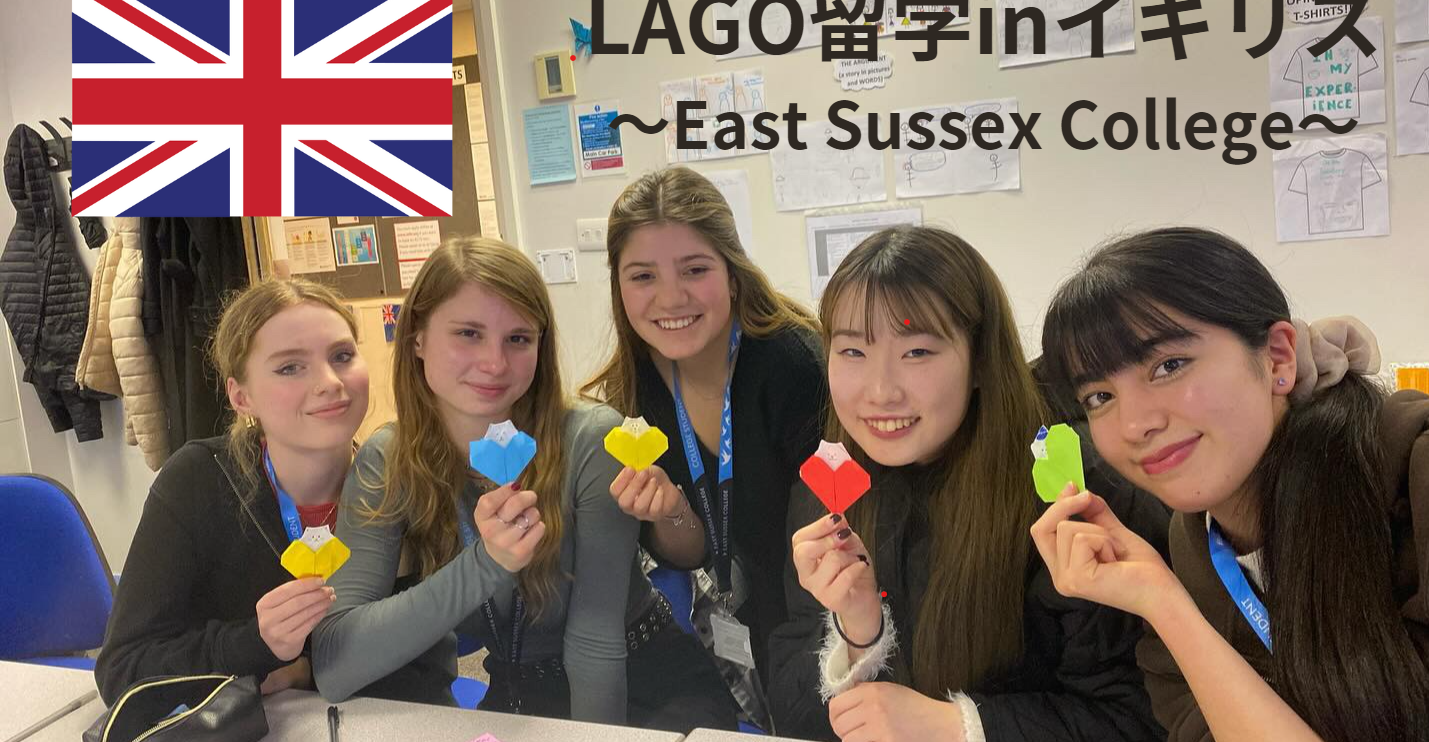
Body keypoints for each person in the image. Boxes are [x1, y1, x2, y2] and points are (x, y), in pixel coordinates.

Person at [312, 236, 735, 730]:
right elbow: (337, 665)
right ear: (417, 338)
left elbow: (595, 642)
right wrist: (485, 563)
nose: (495, 363)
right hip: (518, 690)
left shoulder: (589, 439)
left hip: (641, 682)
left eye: (518, 339)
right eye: (468, 334)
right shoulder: (387, 460)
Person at [768, 225, 1167, 742]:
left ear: (980, 360)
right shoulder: (829, 486)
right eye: (852, 352)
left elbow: (1138, 718)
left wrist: (959, 725)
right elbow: (791, 708)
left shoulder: (1070, 489)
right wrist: (858, 633)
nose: (880, 391)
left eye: (917, 352)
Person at [1032, 227, 1429, 742]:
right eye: (1099, 397)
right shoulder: (1185, 559)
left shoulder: (1413, 475)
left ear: (1279, 358)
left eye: (1169, 366)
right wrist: (1162, 602)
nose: (1134, 425)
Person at [581, 166, 827, 727]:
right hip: (742, 618)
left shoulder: (793, 367)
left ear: (733, 274)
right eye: (643, 276)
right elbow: (694, 550)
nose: (671, 297)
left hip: (816, 618)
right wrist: (669, 510)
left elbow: (825, 548)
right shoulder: (637, 389)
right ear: (619, 287)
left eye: (695, 269)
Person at [96, 278, 368, 703]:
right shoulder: (198, 481)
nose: (330, 381)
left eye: (342, 356)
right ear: (241, 398)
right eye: (290, 367)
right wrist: (254, 644)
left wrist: (309, 670)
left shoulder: (393, 482)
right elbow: (123, 670)